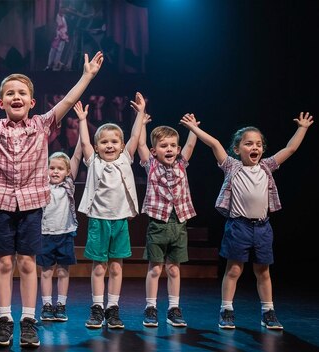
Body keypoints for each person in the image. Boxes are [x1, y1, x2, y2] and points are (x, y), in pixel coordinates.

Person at [0, 51, 104, 347]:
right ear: (1, 102)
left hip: (32, 204)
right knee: (5, 263)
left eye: (22, 93)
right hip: (0, 204)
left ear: (32, 102)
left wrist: (87, 76)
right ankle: (4, 319)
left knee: (29, 264)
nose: (15, 97)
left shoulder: (42, 125)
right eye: (10, 93)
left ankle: (28, 320)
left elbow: (68, 102)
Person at [180, 112, 314, 331]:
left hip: (262, 227)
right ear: (236, 149)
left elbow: (289, 149)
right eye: (249, 143)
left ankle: (268, 312)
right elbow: (213, 143)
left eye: (259, 144)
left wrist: (303, 128)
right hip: (238, 226)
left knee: (263, 271)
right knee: (233, 270)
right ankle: (226, 310)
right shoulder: (232, 166)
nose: (255, 147)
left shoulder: (266, 167)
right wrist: (194, 129)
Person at [78, 92, 146, 329]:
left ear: (121, 144)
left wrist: (139, 113)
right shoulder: (94, 162)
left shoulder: (125, 159)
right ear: (97, 147)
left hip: (120, 221)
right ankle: (97, 308)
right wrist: (82, 121)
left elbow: (136, 136)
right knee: (99, 266)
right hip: (99, 220)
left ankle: (113, 308)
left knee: (116, 266)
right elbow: (85, 143)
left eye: (114, 141)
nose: (110, 145)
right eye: (104, 142)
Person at [137, 114, 198, 328]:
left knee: (173, 268)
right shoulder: (150, 165)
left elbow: (191, 143)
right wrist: (142, 123)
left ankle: (174, 308)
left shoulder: (182, 164)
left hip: (179, 221)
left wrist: (193, 128)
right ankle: (150, 307)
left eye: (173, 145)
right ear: (155, 151)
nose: (170, 149)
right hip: (158, 222)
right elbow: (141, 143)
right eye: (164, 146)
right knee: (155, 268)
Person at [38, 104, 83, 323]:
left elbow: (77, 153)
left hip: (65, 233)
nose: (55, 171)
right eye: (51, 167)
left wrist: (82, 121)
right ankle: (46, 304)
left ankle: (60, 305)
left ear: (67, 172)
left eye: (59, 168)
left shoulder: (68, 184)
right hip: (45, 234)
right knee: (46, 271)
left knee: (63, 271)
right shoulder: (41, 185)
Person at [45, 7, 69, 71]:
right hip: (57, 36)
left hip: (62, 36)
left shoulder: (63, 17)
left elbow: (64, 27)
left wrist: (63, 35)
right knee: (53, 50)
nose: (64, 10)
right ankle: (49, 65)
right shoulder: (56, 17)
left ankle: (55, 66)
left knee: (59, 52)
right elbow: (56, 26)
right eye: (62, 9)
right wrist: (58, 34)